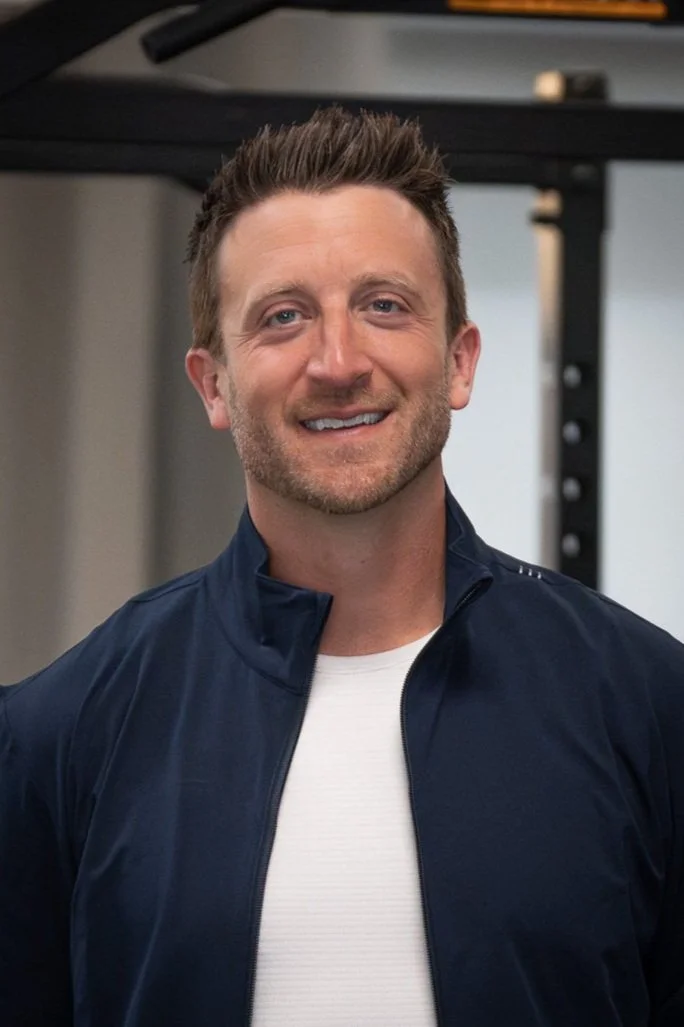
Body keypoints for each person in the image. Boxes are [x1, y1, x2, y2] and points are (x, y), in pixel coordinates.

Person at [1, 107, 683, 1027]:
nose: (338, 360)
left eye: (384, 305)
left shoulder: (646, 703)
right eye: (283, 317)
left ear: (459, 361)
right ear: (213, 383)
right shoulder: (59, 733)